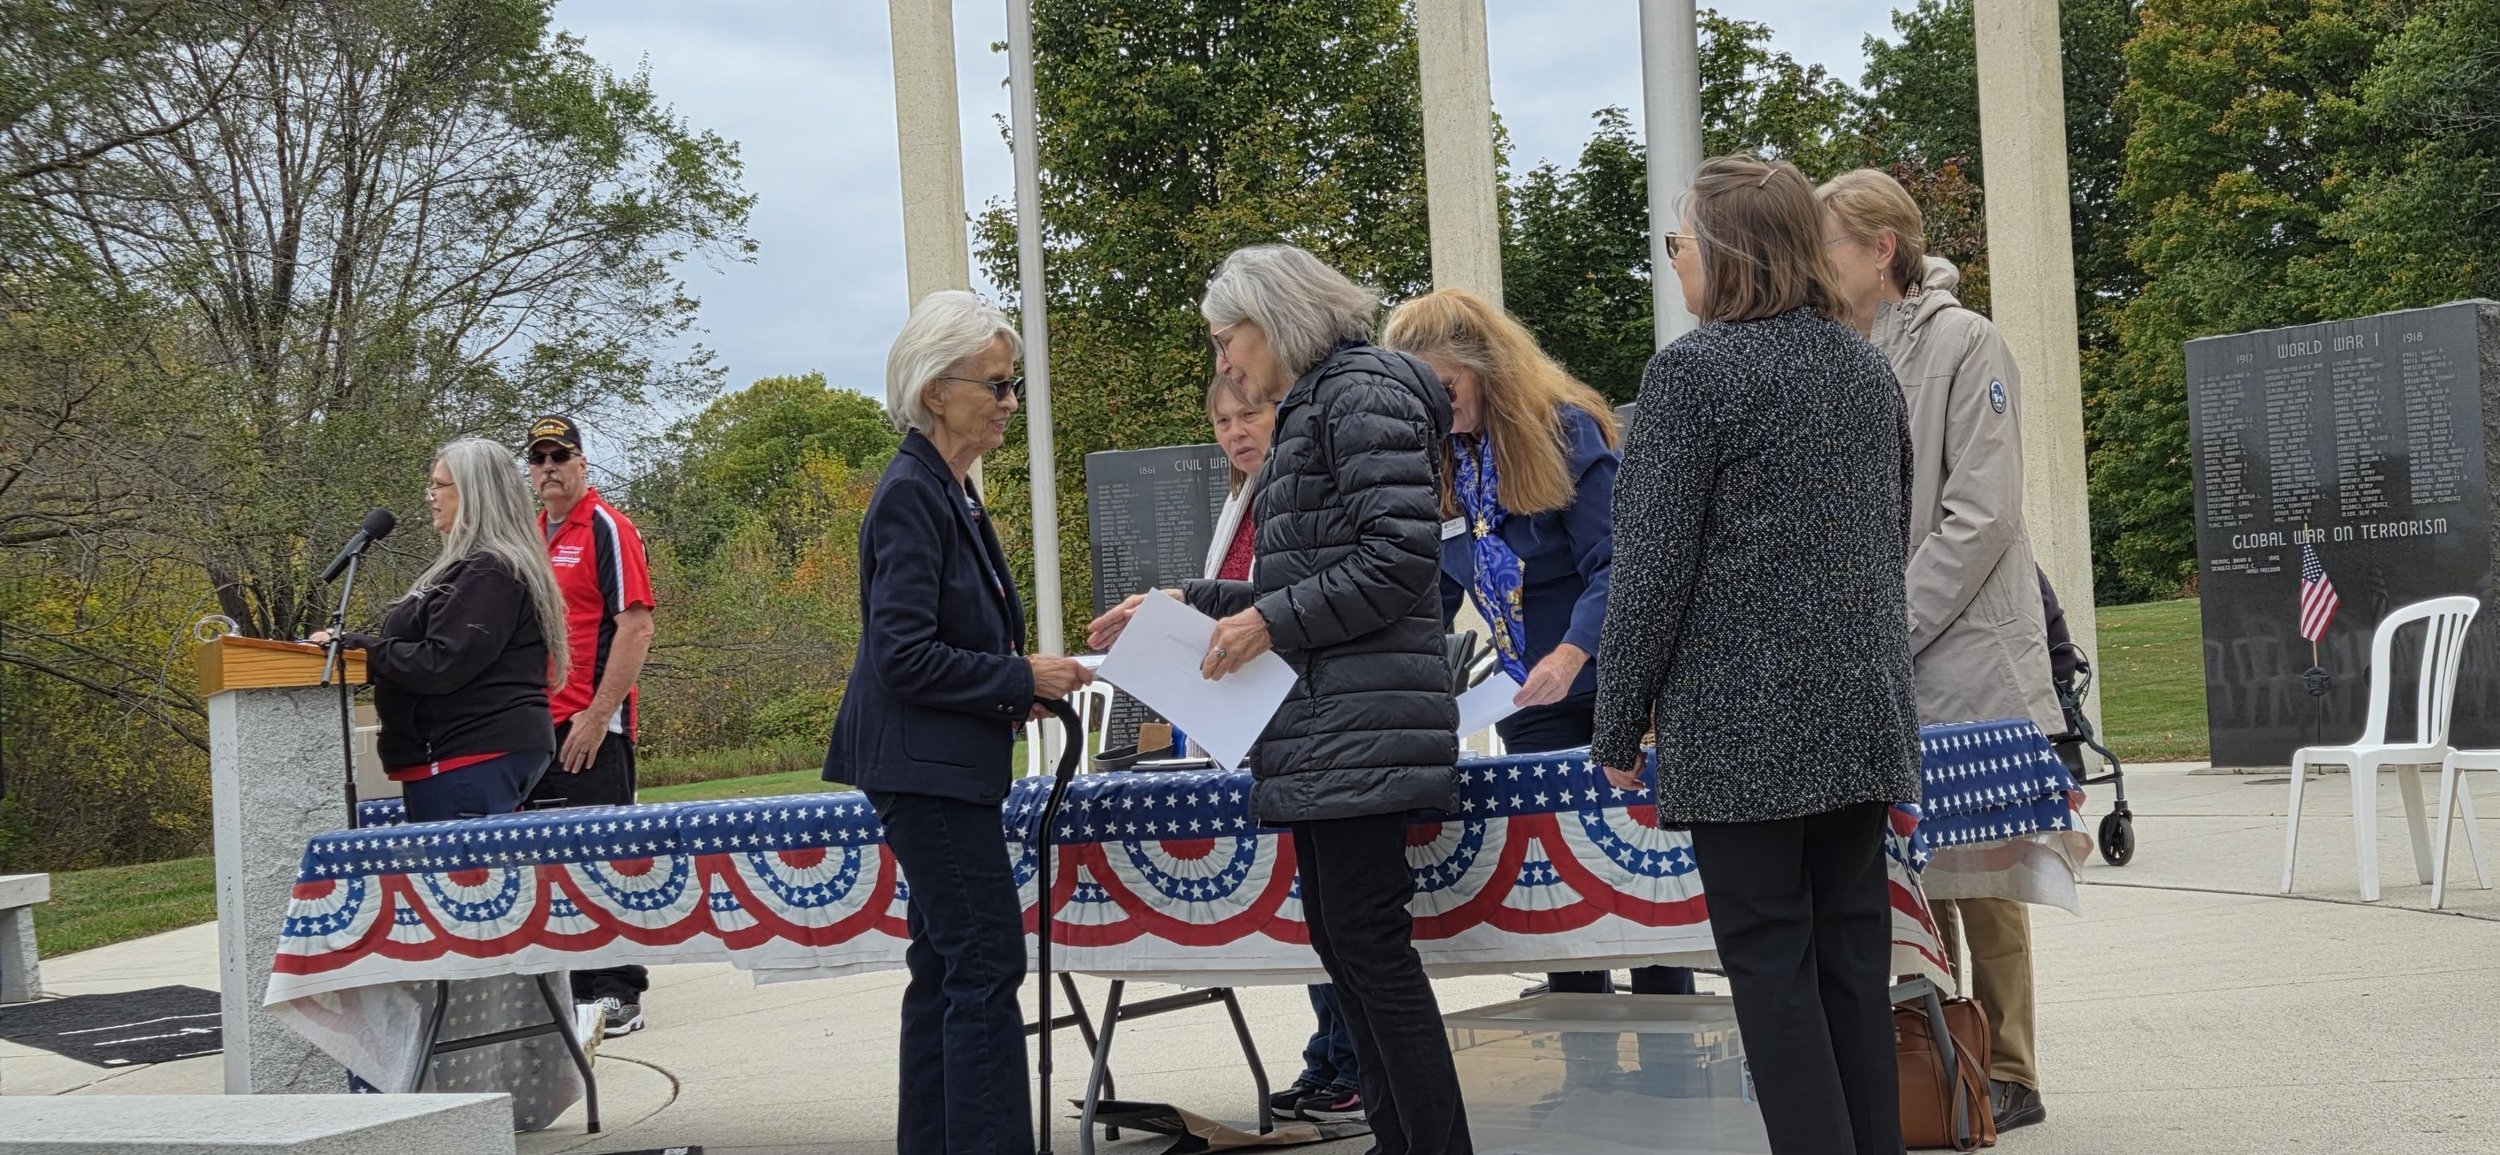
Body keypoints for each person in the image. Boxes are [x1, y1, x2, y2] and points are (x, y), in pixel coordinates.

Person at [1090, 244, 1472, 1155]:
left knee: (1370, 952)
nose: (1224, 361)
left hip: (1357, 726)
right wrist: (1188, 601)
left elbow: (1398, 561)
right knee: (1349, 952)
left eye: (1227, 338)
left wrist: (1266, 623)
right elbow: (1312, 573)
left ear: (1276, 317)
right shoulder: (1325, 401)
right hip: (1332, 728)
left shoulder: (1358, 392)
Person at [1591, 155, 1918, 1155]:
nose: (1674, 260)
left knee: (1774, 977)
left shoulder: (1690, 376)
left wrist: (1615, 722)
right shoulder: (1861, 363)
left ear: (1726, 253)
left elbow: (1647, 572)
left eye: (1678, 241)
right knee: (1853, 971)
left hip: (1744, 730)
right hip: (1858, 718)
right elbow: (1886, 532)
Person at [1821, 167, 2067, 1133]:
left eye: (1829, 245)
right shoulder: (1836, 353)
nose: (1815, 263)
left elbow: (1981, 511)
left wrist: (1890, 620)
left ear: (1882, 249)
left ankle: (2009, 1066)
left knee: (1982, 873)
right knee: (1902, 875)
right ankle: (1936, 1063)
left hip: (1961, 650)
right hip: (1876, 655)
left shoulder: (1968, 343)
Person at [829, 290, 1096, 1155]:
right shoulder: (914, 493)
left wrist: (1019, 686)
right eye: (997, 385)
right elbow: (902, 655)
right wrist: (1021, 673)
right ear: (937, 389)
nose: (1009, 403)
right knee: (985, 964)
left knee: (945, 968)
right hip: (925, 769)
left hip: (941, 763)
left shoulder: (947, 490)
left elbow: (935, 648)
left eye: (1010, 386)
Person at [1381, 288, 1696, 1007]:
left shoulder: (1566, 431)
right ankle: (1584, 1049)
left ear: (1484, 367)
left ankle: (1667, 1054)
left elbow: (1621, 564)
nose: (1437, 405)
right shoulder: (1441, 458)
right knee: (1555, 877)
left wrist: (1573, 653)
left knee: (1639, 871)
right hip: (1529, 697)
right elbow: (1430, 589)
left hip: (1612, 685)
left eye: (1446, 386)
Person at [1201, 372, 1365, 1127]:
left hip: (1316, 717)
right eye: (1224, 420)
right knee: (1314, 905)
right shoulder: (1238, 506)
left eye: (1251, 413)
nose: (1238, 431)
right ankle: (1329, 1051)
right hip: (1266, 725)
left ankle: (1352, 1059)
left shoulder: (1299, 488)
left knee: (1345, 909)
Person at [316, 438, 569, 824]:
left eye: (439, 485)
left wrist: (356, 647)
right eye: (430, 486)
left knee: (465, 882)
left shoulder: (491, 571)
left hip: (470, 752)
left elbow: (444, 662)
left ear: (474, 492)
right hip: (453, 753)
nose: (430, 496)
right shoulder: (467, 568)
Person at [520, 413, 660, 1038]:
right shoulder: (529, 534)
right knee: (550, 864)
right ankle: (569, 989)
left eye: (560, 456)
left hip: (591, 726)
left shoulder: (608, 527)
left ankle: (616, 991)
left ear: (582, 464)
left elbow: (636, 626)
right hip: (533, 727)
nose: (549, 467)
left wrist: (598, 717)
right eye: (538, 458)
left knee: (603, 857)